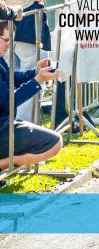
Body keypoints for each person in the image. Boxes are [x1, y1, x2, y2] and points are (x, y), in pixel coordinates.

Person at [0, 20, 62, 169]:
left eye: (11, 40)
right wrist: (38, 80)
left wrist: (34, 72)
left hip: (4, 124)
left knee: (53, 142)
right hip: (2, 128)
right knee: (55, 143)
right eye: (6, 40)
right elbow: (8, 101)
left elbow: (11, 78)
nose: (9, 45)